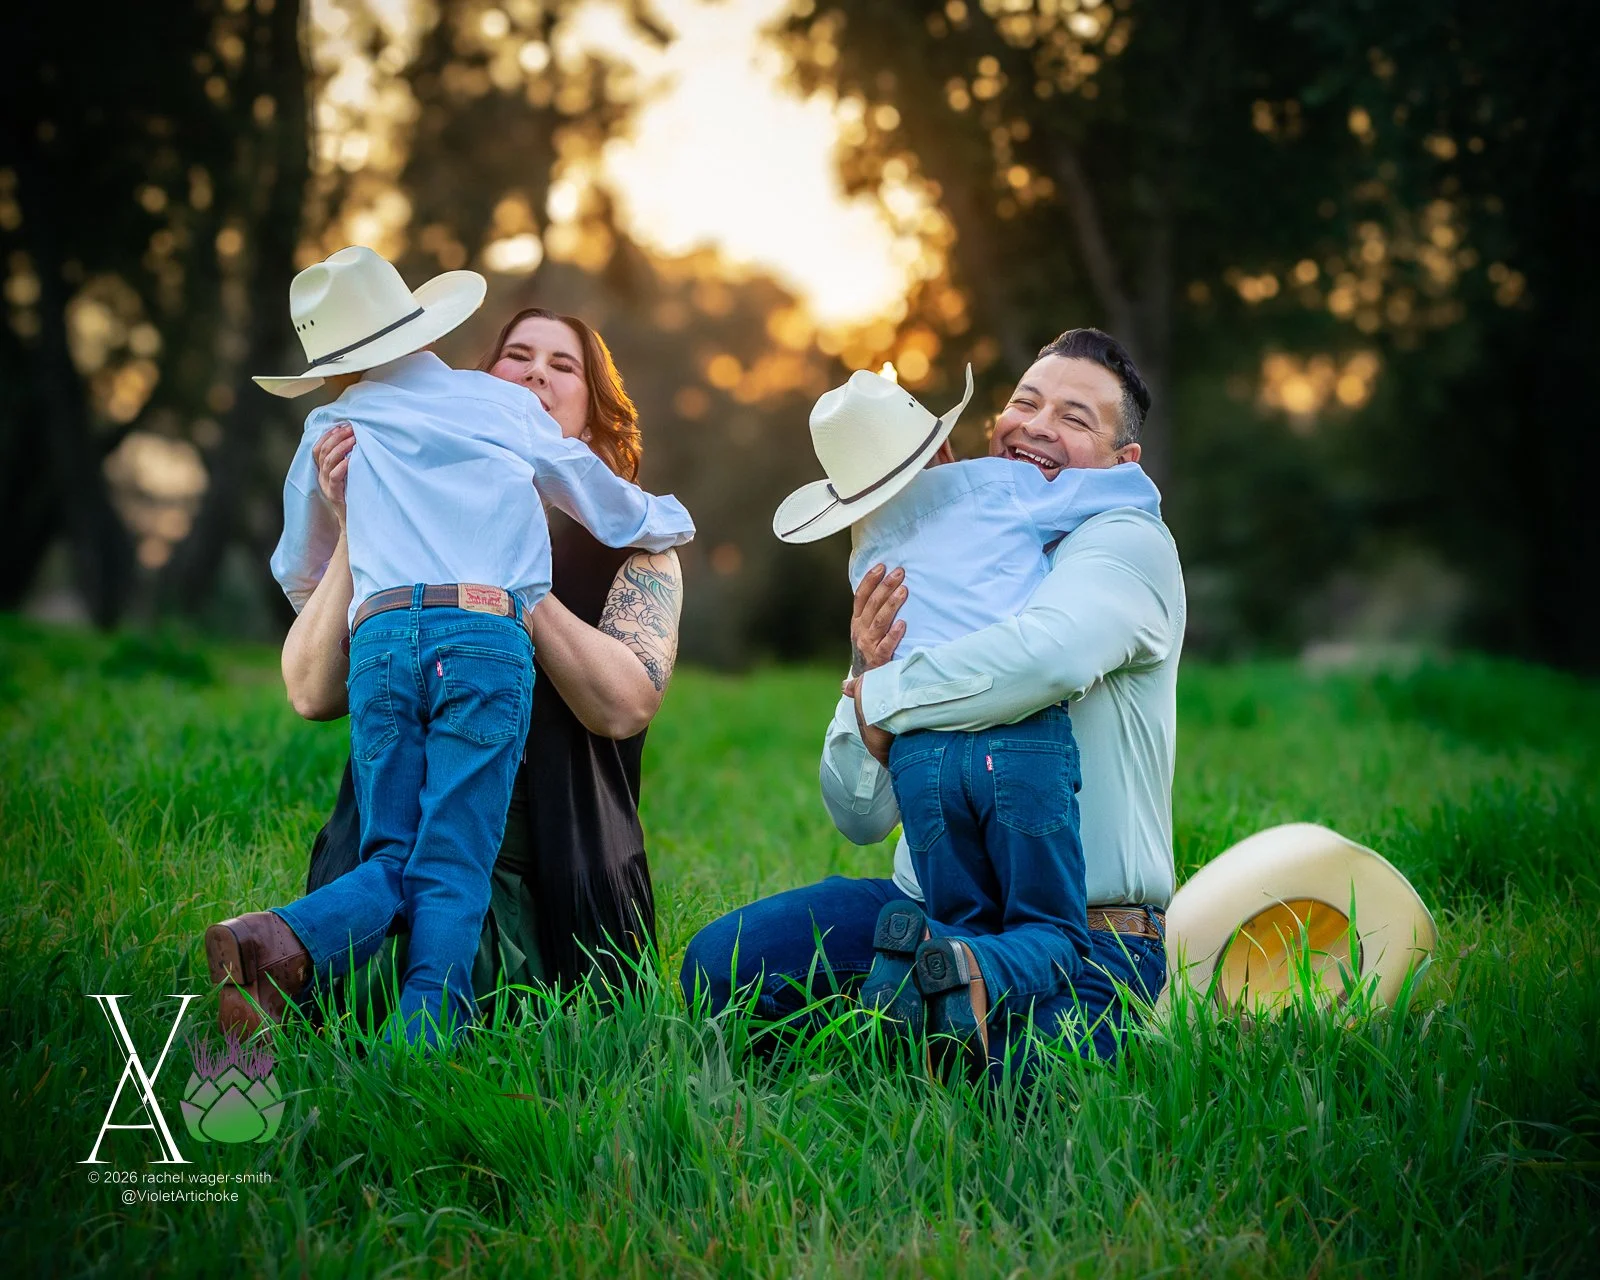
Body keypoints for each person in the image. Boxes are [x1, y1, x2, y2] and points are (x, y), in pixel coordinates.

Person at [206, 249, 692, 1046]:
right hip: (460, 671)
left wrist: (498, 575)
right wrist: (365, 522)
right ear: (480, 378)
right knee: (430, 878)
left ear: (597, 411)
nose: (535, 376)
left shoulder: (628, 556)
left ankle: (282, 944)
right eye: (518, 356)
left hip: (551, 878)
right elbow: (308, 690)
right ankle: (415, 1034)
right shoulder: (398, 455)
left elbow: (625, 703)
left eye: (562, 365)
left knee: (413, 874)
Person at [682, 328, 1184, 1079]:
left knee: (1021, 1091)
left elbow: (1051, 655)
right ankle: (911, 1004)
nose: (1039, 424)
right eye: (1025, 402)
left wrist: (884, 694)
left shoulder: (1125, 543)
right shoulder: (938, 556)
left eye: (1076, 418)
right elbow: (860, 816)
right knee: (721, 969)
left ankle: (929, 1020)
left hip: (1090, 928)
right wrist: (866, 670)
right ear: (994, 425)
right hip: (931, 904)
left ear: (1123, 463)